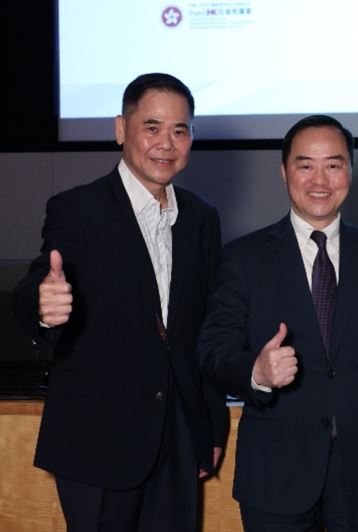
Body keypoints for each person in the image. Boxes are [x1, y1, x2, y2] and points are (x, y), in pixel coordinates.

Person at [13, 73, 229, 531]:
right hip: (98, 442)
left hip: (177, 439)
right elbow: (38, 279)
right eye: (151, 127)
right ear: (120, 129)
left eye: (180, 129)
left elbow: (204, 331)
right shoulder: (77, 210)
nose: (166, 143)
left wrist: (209, 426)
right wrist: (40, 303)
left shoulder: (201, 219)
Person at [197, 115, 358, 531]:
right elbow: (212, 351)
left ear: (350, 172)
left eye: (334, 165)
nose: (320, 179)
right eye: (305, 165)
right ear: (284, 172)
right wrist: (257, 372)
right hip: (275, 478)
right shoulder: (244, 258)